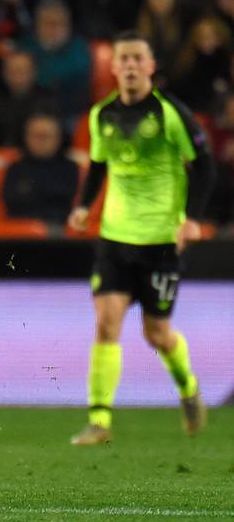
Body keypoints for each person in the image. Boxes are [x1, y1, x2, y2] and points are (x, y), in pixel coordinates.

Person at [67, 31, 215, 446]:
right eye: (123, 59)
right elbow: (98, 165)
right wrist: (84, 205)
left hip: (161, 241)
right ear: (113, 68)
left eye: (138, 59)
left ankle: (187, 387)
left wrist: (190, 219)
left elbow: (204, 165)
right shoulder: (102, 115)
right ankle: (99, 421)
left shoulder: (170, 113)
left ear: (151, 67)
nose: (130, 66)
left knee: (157, 334)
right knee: (106, 323)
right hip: (115, 238)